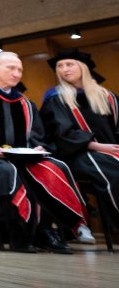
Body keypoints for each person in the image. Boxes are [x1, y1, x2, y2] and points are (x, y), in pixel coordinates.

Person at [0, 51, 86, 253]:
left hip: (21, 157)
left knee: (53, 167)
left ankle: (46, 231)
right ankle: (20, 235)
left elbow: (38, 135)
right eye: (11, 68)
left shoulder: (25, 102)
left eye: (20, 70)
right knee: (7, 171)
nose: (16, 73)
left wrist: (39, 147)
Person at [39, 47, 117, 241]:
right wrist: (97, 146)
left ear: (83, 67)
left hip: (110, 151)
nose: (64, 69)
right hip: (76, 154)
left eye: (69, 64)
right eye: (60, 66)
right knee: (113, 172)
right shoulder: (56, 98)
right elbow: (60, 133)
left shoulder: (107, 96)